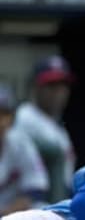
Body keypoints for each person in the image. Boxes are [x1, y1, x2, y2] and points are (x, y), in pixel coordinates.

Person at [14, 55, 76, 204]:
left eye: (63, 86)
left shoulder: (56, 126)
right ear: (36, 87)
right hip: (30, 204)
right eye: (51, 86)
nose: (58, 92)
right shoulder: (25, 117)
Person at [0, 83, 49, 217]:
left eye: (4, 114)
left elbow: (36, 189)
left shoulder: (20, 143)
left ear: (11, 118)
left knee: (42, 209)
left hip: (14, 213)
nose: (1, 121)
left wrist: (8, 212)